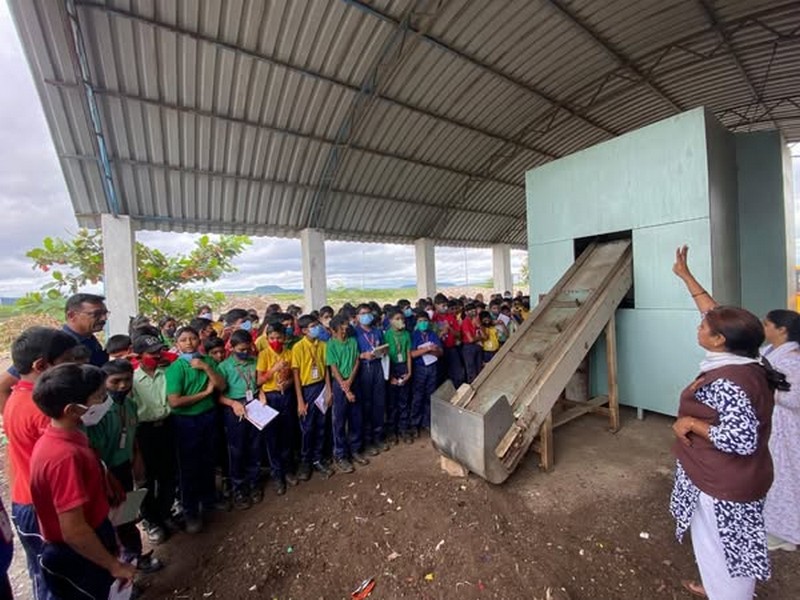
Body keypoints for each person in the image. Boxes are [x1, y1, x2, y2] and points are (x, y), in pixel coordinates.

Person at [671, 245, 786, 599]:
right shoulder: (748, 358)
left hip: (722, 482)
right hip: (731, 478)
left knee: (724, 550)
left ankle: (729, 594)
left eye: (704, 326)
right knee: (724, 547)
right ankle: (719, 589)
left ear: (719, 340)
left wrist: (692, 423)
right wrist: (685, 276)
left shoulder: (730, 379)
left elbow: (741, 439)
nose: (700, 324)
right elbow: (714, 312)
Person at [30, 363, 137, 599]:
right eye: (99, 397)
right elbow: (74, 530)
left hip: (94, 536)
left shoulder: (72, 436)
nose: (105, 401)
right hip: (78, 552)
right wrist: (114, 565)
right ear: (72, 410)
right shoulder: (63, 457)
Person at [3, 327, 78, 600]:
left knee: (44, 573)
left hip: (27, 499)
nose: (73, 366)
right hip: (44, 505)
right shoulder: (43, 408)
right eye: (68, 360)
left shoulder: (17, 397)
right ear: (42, 366)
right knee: (58, 578)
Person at [87, 360, 162, 573]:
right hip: (104, 474)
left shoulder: (129, 405)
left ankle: (136, 557)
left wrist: (137, 459)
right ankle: (119, 572)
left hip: (124, 469)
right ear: (104, 382)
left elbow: (132, 435)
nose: (122, 385)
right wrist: (105, 476)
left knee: (126, 518)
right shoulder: (96, 414)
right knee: (109, 524)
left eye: (127, 380)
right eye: (115, 381)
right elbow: (92, 449)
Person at [165, 326, 227, 534]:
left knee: (208, 460)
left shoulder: (207, 361)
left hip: (208, 416)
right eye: (184, 340)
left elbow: (221, 385)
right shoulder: (176, 368)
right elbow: (174, 401)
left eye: (192, 338)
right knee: (188, 467)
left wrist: (206, 368)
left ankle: (209, 500)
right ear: (177, 344)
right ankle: (191, 511)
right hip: (185, 421)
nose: (189, 343)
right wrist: (204, 394)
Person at [759, 310, 800, 552]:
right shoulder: (769, 351)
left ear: (782, 330)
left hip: (785, 426)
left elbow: (794, 397)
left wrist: (765, 387)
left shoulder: (793, 360)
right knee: (769, 472)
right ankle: (775, 524)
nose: (764, 328)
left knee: (783, 474)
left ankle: (784, 531)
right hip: (770, 422)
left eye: (767, 324)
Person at [131, 335, 176, 545]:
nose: (157, 356)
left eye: (159, 352)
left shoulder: (166, 372)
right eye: (151, 353)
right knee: (145, 479)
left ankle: (165, 513)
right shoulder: (130, 380)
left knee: (168, 474)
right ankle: (151, 521)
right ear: (139, 356)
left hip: (167, 427)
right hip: (144, 431)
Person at [217, 330, 263, 509]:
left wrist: (263, 394)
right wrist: (233, 404)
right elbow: (218, 396)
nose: (246, 352)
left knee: (255, 446)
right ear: (232, 347)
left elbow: (259, 383)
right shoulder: (225, 367)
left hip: (254, 404)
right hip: (235, 408)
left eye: (248, 348)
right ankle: (239, 488)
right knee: (237, 449)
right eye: (241, 349)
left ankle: (254, 483)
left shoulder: (254, 361)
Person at [256, 324, 297, 495]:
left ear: (284, 338)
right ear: (267, 339)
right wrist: (274, 369)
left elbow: (294, 377)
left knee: (287, 434)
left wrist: (287, 383)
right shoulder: (264, 355)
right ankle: (277, 474)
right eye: (272, 338)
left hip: (286, 395)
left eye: (279, 338)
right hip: (270, 397)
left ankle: (287, 469)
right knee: (272, 438)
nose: (276, 341)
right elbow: (259, 381)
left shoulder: (289, 353)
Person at [292, 315, 333, 481]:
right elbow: (296, 374)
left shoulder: (323, 345)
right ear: (304, 330)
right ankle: (305, 461)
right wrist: (300, 401)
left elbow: (327, 369)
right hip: (306, 389)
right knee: (307, 428)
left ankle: (318, 458)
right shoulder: (298, 347)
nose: (317, 328)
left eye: (317, 325)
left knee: (321, 425)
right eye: (312, 326)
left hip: (321, 387)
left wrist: (329, 391)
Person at [326, 314, 367, 473]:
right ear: (333, 331)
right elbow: (333, 367)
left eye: (345, 329)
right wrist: (345, 387)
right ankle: (341, 454)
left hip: (353, 380)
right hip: (339, 384)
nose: (344, 333)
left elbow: (357, 361)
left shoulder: (352, 341)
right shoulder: (330, 345)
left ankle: (355, 449)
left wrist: (350, 381)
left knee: (356, 417)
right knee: (339, 421)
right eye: (341, 331)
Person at [354, 303, 387, 455]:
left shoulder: (377, 331)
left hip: (378, 366)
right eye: (362, 313)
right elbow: (351, 354)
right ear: (357, 317)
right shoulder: (355, 333)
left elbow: (383, 347)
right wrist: (362, 355)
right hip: (364, 369)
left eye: (368, 313)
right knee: (366, 404)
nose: (366, 316)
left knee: (379, 403)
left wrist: (382, 351)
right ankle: (367, 440)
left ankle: (378, 436)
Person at [410, 311, 443, 436]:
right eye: (420, 321)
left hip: (432, 367)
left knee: (430, 395)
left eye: (425, 321)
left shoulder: (433, 334)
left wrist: (432, 351)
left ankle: (427, 422)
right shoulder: (414, 335)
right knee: (418, 396)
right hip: (419, 368)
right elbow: (412, 354)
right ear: (416, 323)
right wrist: (427, 349)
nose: (423, 323)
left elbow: (440, 352)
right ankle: (415, 424)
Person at [385, 308, 413, 444]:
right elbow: (385, 357)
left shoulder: (407, 334)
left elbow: (408, 354)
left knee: (404, 401)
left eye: (402, 319)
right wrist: (390, 376)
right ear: (390, 321)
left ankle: (404, 429)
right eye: (397, 319)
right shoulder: (386, 335)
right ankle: (392, 431)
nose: (400, 321)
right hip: (391, 367)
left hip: (403, 367)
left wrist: (409, 372)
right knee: (392, 403)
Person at [432, 295, 464, 388]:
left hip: (451, 348)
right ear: (436, 305)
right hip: (438, 350)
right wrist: (442, 333)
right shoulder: (433, 319)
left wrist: (450, 329)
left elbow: (458, 334)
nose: (445, 308)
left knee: (457, 374)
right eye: (443, 305)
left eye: (446, 305)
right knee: (440, 376)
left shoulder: (450, 317)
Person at [460, 302, 484, 384]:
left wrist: (479, 325)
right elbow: (470, 339)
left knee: (479, 369)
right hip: (469, 347)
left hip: (477, 346)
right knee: (471, 371)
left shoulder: (477, 320)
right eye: (470, 310)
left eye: (474, 310)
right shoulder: (465, 322)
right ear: (466, 312)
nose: (473, 312)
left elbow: (485, 336)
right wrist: (479, 337)